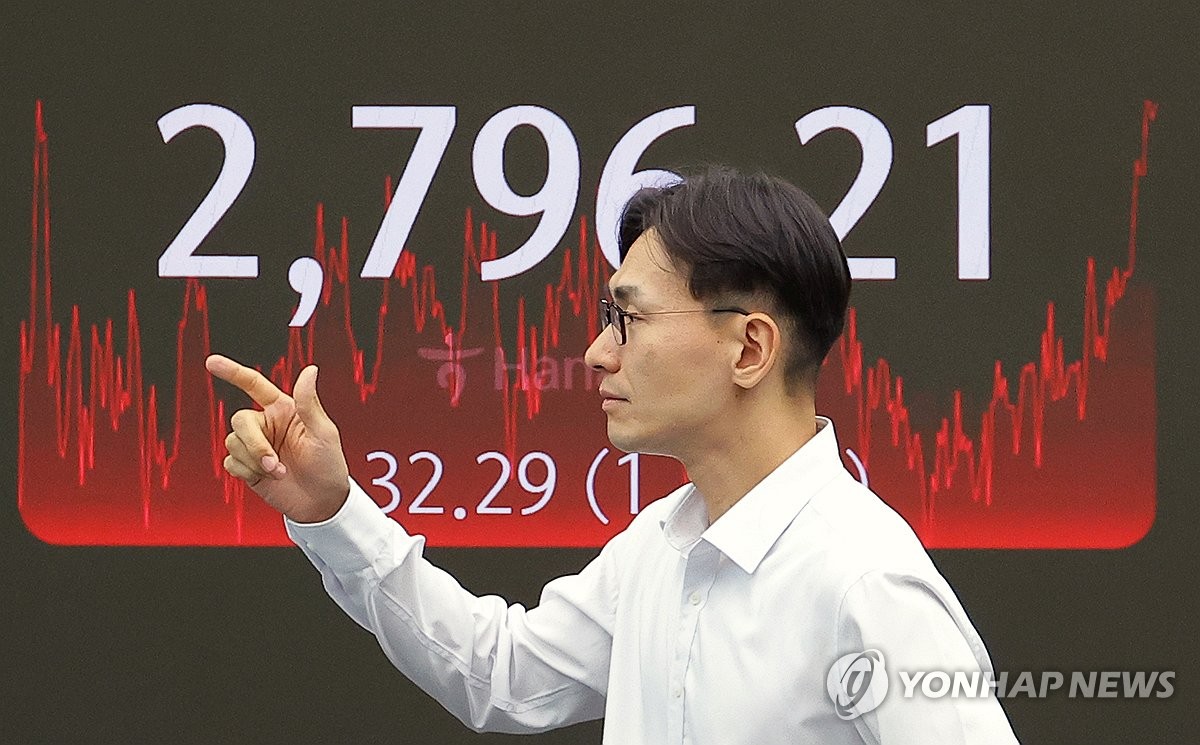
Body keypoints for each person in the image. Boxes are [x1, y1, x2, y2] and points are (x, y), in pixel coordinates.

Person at [207, 167, 1019, 743]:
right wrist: (334, 512)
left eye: (629, 318)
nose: (597, 352)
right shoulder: (661, 544)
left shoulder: (866, 582)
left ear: (749, 348)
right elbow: (502, 675)